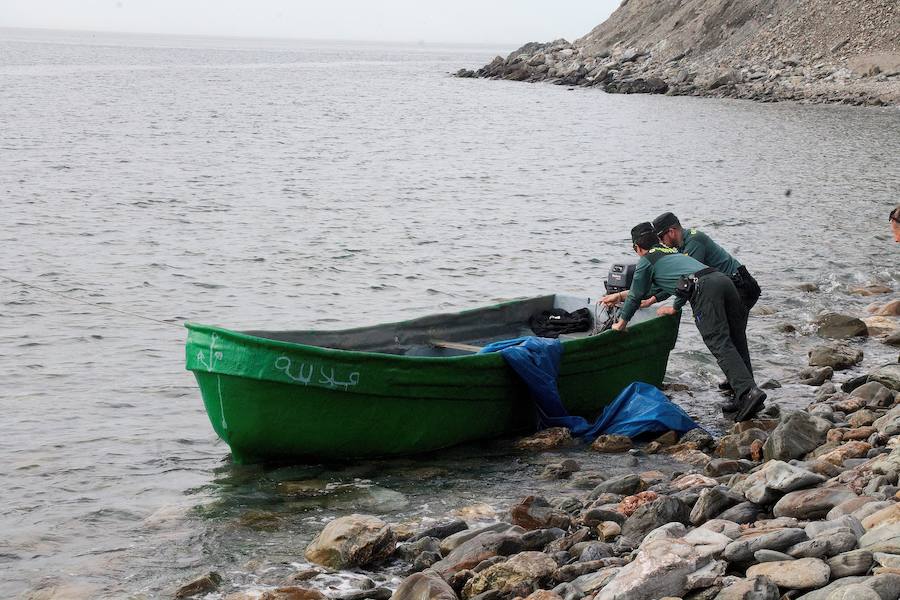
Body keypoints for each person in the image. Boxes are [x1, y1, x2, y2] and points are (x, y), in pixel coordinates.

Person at [601, 223, 766, 422]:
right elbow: (659, 286)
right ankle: (746, 393)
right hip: (722, 280)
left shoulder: (646, 261)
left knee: (718, 340)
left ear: (637, 247)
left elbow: (636, 294)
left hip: (704, 289)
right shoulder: (670, 252)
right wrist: (619, 296)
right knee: (735, 338)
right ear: (656, 239)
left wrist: (621, 323)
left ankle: (749, 392)